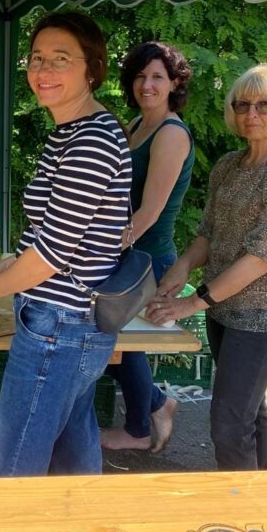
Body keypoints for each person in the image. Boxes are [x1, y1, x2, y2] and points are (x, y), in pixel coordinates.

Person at [0, 13, 131, 476]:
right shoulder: (70, 132)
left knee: (12, 464)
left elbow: (55, 252)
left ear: (91, 69)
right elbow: (58, 231)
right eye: (37, 59)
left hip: (62, 326)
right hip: (65, 320)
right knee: (74, 448)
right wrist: (12, 263)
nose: (44, 71)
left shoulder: (92, 140)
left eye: (61, 59)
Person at [146, 64, 267, 471]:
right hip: (223, 307)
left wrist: (192, 304)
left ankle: (238, 515)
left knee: (228, 421)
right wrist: (182, 267)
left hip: (264, 313)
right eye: (242, 104)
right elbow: (209, 232)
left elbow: (262, 257)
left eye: (265, 104)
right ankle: (256, 501)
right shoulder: (229, 165)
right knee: (250, 410)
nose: (252, 113)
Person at [100, 42, 194, 453]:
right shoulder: (138, 124)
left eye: (157, 76)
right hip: (127, 252)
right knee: (115, 341)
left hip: (146, 257)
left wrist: (100, 246)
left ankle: (142, 424)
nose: (147, 84)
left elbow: (150, 212)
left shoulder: (171, 133)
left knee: (118, 341)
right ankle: (153, 408)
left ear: (174, 82)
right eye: (140, 76)